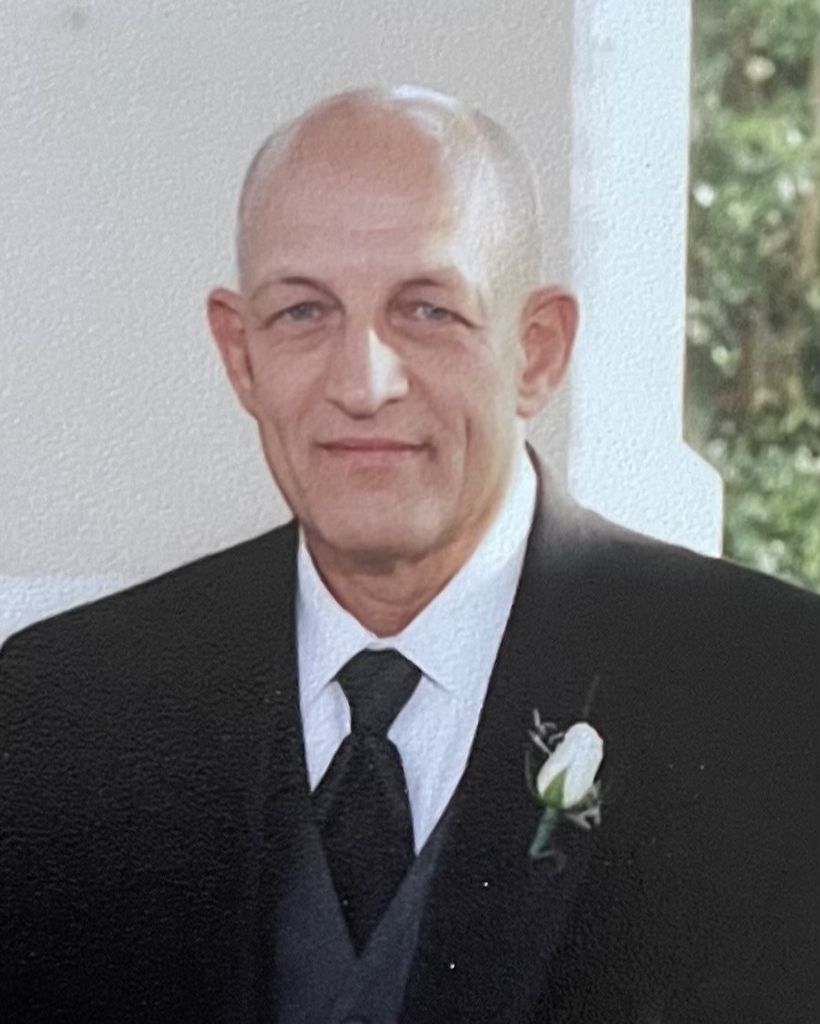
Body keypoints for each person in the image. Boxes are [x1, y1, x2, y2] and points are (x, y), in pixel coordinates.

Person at [1, 85, 817, 1024]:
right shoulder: (66, 709)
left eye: (427, 311)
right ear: (240, 353)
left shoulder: (773, 697)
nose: (364, 383)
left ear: (537, 351)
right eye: (303, 313)